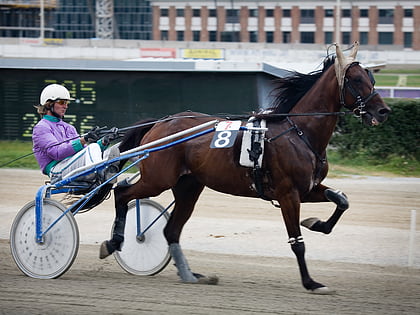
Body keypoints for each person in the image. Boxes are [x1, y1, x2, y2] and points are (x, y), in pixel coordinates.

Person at [32, 83, 119, 185]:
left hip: (72, 166)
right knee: (93, 147)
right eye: (61, 102)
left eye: (67, 103)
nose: (65, 106)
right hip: (57, 171)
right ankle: (102, 174)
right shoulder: (41, 128)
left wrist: (104, 142)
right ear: (49, 104)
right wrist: (84, 140)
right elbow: (56, 153)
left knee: (117, 148)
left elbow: (84, 151)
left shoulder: (69, 127)